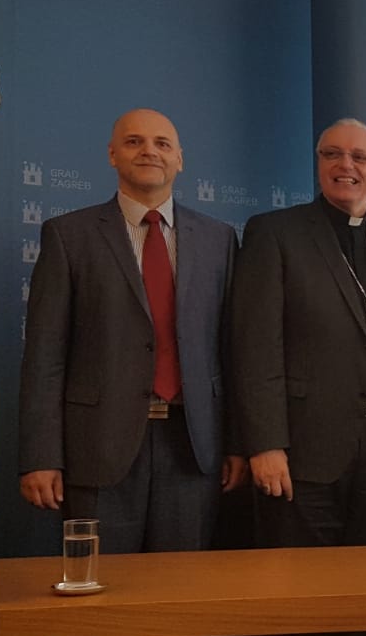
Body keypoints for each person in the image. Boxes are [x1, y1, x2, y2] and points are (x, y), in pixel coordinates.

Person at [18, 108, 244, 554]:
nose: (149, 152)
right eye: (134, 142)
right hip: (97, 447)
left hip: (193, 447)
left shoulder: (219, 239)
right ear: (112, 155)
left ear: (180, 159)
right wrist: (40, 456)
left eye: (162, 143)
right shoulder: (68, 236)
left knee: (183, 586)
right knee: (101, 583)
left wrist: (238, 443)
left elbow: (232, 350)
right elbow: (45, 354)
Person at [230, 117, 366, 546]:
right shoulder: (275, 233)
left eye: (360, 157)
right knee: (300, 579)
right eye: (332, 154)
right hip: (303, 453)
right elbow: (255, 348)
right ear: (318, 163)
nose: (346, 165)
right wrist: (265, 445)